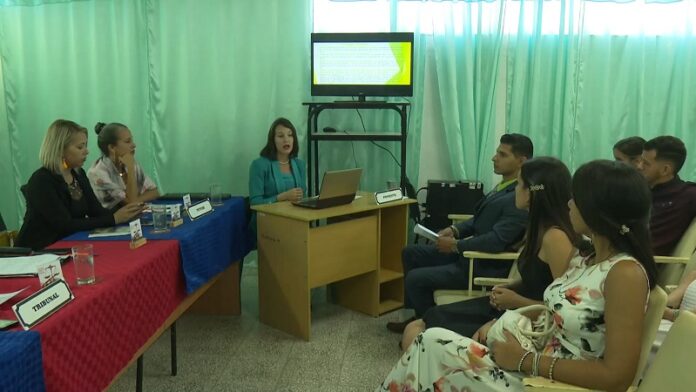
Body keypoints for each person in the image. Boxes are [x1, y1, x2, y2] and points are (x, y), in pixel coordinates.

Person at [376, 160, 657, 392]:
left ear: (599, 210)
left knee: (429, 346)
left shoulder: (625, 274)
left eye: (577, 198)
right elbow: (555, 314)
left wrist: (525, 360)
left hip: (547, 382)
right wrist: (506, 323)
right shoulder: (588, 259)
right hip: (534, 362)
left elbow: (617, 377)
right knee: (430, 340)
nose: (569, 203)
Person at [399, 157, 579, 351]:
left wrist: (514, 302)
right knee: (423, 322)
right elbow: (539, 280)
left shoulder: (555, 238)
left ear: (531, 193)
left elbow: (562, 309)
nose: (515, 190)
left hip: (524, 315)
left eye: (519, 184)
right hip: (511, 305)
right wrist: (512, 285)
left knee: (416, 332)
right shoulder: (537, 228)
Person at [387, 134, 532, 333]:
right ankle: (420, 315)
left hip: (482, 265)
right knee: (410, 252)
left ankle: (429, 326)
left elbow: (496, 241)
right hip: (467, 255)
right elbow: (479, 220)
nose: (494, 157)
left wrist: (456, 245)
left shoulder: (519, 197)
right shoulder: (503, 187)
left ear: (521, 161)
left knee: (415, 278)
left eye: (502, 154)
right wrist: (455, 230)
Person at [16, 119, 143, 250]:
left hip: (67, 247)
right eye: (80, 147)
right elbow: (65, 225)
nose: (86, 151)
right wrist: (114, 219)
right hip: (36, 252)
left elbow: (97, 212)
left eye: (85, 146)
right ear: (60, 149)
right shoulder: (41, 180)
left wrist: (125, 213)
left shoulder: (78, 174)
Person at [248, 117, 307, 239]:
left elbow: (303, 196)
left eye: (290, 135)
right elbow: (255, 203)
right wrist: (282, 197)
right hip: (268, 225)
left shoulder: (299, 164)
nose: (286, 139)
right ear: (272, 140)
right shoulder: (259, 165)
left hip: (295, 221)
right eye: (280, 136)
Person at [638, 136, 696, 255]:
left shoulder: (687, 195)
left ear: (665, 170)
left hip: (639, 264)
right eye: (640, 160)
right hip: (620, 255)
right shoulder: (640, 192)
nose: (639, 166)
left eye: (646, 163)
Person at [87, 122, 159, 211]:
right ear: (112, 148)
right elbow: (131, 204)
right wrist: (131, 168)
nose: (134, 145)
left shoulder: (129, 163)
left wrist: (136, 201)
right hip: (110, 223)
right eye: (128, 141)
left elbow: (154, 191)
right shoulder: (97, 173)